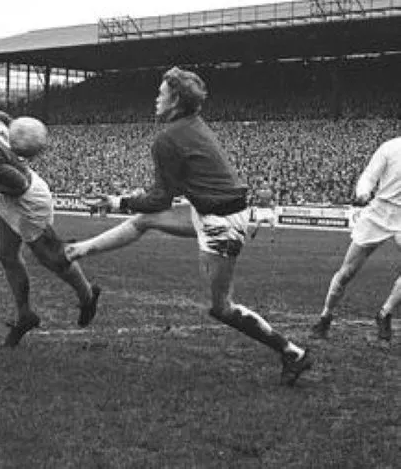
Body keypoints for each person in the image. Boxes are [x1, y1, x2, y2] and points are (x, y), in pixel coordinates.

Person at [64, 67, 312, 386]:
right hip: (212, 212)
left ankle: (292, 352)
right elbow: (163, 198)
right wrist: (128, 201)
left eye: (161, 93)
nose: (156, 99)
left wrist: (116, 202)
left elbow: (159, 200)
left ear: (176, 99)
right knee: (144, 222)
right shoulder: (190, 126)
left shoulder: (168, 139)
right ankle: (77, 250)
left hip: (221, 223)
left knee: (222, 308)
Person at [0, 105, 101, 347]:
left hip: (27, 202)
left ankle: (88, 295)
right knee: (6, 255)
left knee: (52, 259)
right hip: (4, 194)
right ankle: (26, 315)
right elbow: (2, 118)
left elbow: (21, 185)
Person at [310, 136, 401, 342]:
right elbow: (369, 175)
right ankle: (325, 316)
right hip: (379, 213)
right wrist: (362, 192)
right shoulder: (390, 147)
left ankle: (384, 313)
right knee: (347, 272)